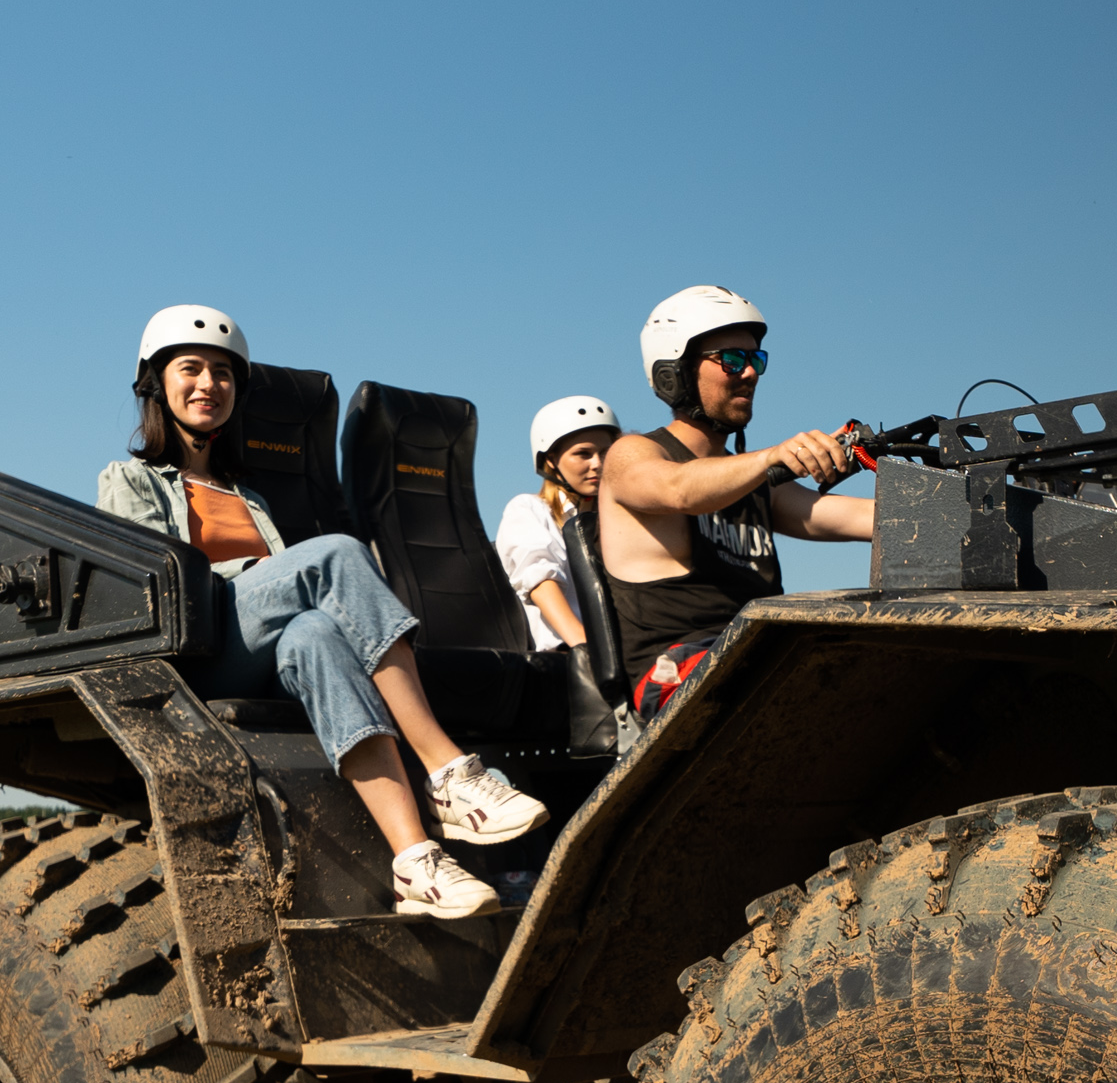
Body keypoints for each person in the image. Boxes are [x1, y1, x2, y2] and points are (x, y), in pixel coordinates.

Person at [94, 304, 543, 919]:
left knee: (314, 632)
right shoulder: (130, 479)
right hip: (202, 653)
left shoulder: (248, 496)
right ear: (155, 383)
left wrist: (278, 582)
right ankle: (449, 772)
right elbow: (160, 582)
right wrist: (259, 574)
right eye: (191, 369)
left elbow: (288, 599)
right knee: (334, 555)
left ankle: (414, 861)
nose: (209, 385)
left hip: (264, 648)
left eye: (224, 374)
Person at [595, 284, 874, 722]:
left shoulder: (757, 482)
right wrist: (771, 457)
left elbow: (863, 518)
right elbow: (679, 490)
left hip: (760, 653)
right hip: (679, 674)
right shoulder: (632, 454)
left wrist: (962, 502)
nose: (750, 374)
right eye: (732, 359)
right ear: (675, 372)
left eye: (755, 360)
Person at [496, 396, 619, 655]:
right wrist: (589, 650)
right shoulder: (529, 510)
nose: (597, 464)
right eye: (583, 454)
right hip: (569, 659)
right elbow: (541, 582)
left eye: (605, 453)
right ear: (551, 460)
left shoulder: (620, 520)